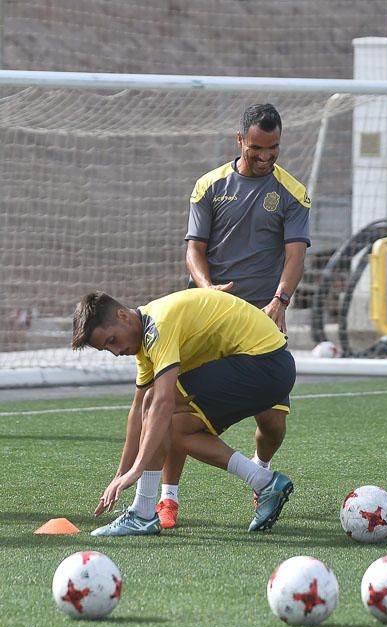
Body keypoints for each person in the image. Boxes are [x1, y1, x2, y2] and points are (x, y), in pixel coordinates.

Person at [157, 103, 311, 529]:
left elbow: (295, 256)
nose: (265, 157)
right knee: (178, 409)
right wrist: (207, 291)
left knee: (273, 421)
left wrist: (280, 300)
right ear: (240, 140)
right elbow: (194, 249)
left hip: (260, 321)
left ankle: (261, 473)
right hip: (207, 319)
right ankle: (168, 500)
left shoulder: (293, 194)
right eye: (258, 148)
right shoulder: (208, 186)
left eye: (273, 148)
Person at [71, 288, 296, 536]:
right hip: (269, 367)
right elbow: (137, 413)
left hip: (265, 364)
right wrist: (119, 476)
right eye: (106, 349)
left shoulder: (158, 324)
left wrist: (137, 469)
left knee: (158, 406)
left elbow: (162, 402)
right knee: (175, 429)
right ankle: (264, 482)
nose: (115, 352)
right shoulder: (145, 339)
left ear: (123, 316)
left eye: (112, 340)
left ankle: (143, 513)